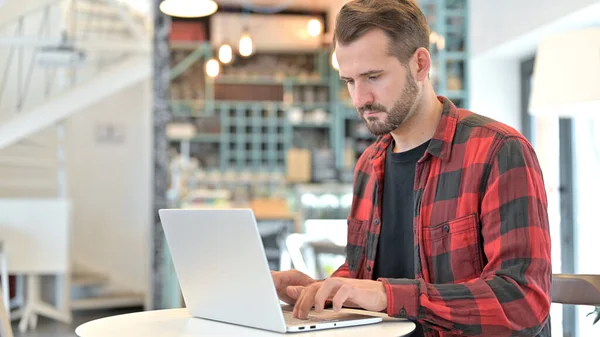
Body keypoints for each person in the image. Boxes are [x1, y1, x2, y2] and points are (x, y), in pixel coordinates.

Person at [271, 0, 552, 336]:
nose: (359, 99)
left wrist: (389, 295)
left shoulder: (499, 151)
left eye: (373, 77)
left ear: (420, 64)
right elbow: (368, 279)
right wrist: (318, 291)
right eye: (349, 81)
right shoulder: (368, 165)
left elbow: (524, 303)